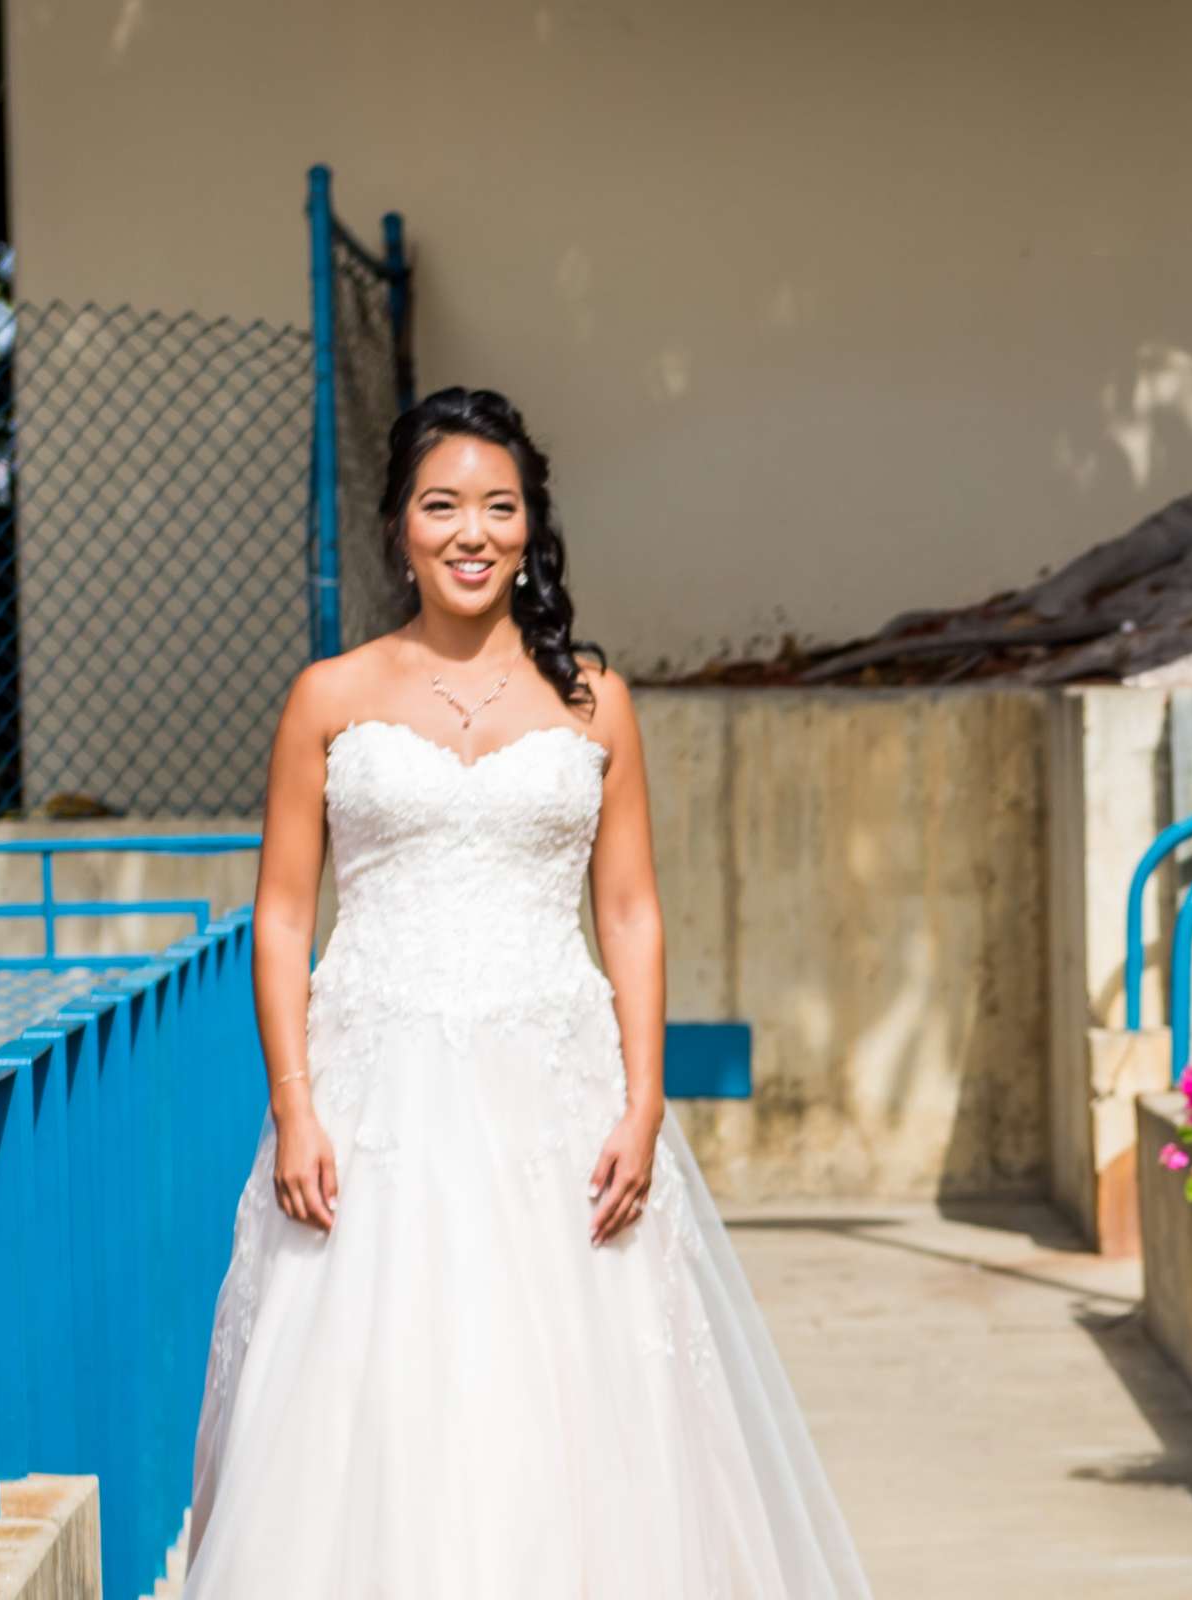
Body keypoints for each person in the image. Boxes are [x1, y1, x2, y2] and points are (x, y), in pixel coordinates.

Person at [182, 387, 871, 1598]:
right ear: (399, 524)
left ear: (531, 528)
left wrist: (646, 1101)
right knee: (372, 1408)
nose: (471, 532)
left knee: (574, 1416)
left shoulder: (597, 700)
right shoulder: (329, 698)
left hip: (554, 1106)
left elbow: (631, 911)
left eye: (498, 507)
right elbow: (284, 915)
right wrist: (294, 1102)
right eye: (442, 505)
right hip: (370, 1113)